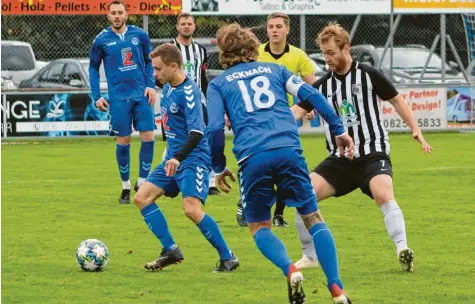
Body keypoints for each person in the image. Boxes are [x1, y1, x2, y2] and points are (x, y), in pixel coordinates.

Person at [207, 23, 353, 304]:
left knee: (259, 226)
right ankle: (336, 289)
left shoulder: (219, 83)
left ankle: (290, 270)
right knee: (313, 217)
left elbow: (214, 128)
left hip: (253, 156)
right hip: (288, 148)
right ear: (253, 47)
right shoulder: (276, 70)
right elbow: (312, 95)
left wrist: (218, 165)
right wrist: (338, 129)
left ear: (223, 53)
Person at [291, 22, 433, 272]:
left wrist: (416, 128)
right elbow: (297, 111)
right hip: (339, 159)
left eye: (331, 53)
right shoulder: (322, 85)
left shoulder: (368, 74)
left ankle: (402, 248)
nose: (327, 59)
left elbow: (397, 100)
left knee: (383, 193)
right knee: (304, 195)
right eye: (324, 53)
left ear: (346, 49)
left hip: (372, 152)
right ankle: (309, 257)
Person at [133, 43, 239, 272]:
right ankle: (170, 249)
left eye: (158, 69)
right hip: (173, 158)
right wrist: (171, 155)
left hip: (192, 159)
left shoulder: (188, 91)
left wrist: (180, 158)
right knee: (142, 197)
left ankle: (228, 256)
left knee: (191, 208)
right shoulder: (169, 87)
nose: (155, 74)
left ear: (174, 65)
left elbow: (197, 131)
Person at [235, 12, 317, 228]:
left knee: (284, 165)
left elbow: (312, 86)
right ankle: (244, 202)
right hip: (257, 119)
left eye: (279, 26)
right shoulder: (257, 53)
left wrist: (310, 106)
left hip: (285, 118)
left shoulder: (298, 56)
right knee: (257, 161)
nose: (274, 30)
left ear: (287, 29)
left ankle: (278, 213)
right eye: (270, 26)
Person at [89, 0, 156, 204]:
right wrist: (96, 95)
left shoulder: (139, 35)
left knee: (148, 136)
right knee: (123, 141)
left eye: (120, 12)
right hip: (118, 98)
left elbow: (149, 61)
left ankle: (142, 182)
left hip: (141, 95)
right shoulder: (101, 40)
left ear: (127, 15)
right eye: (113, 13)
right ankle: (126, 187)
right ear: (108, 16)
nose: (117, 16)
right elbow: (93, 68)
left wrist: (150, 85)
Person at [159, 13, 220, 196]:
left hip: (198, 101)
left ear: (194, 26)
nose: (186, 26)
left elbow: (202, 77)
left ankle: (208, 180)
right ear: (177, 27)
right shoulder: (169, 49)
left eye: (189, 23)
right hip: (175, 100)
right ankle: (168, 171)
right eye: (183, 23)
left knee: (203, 136)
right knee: (174, 138)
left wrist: (208, 99)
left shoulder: (200, 50)